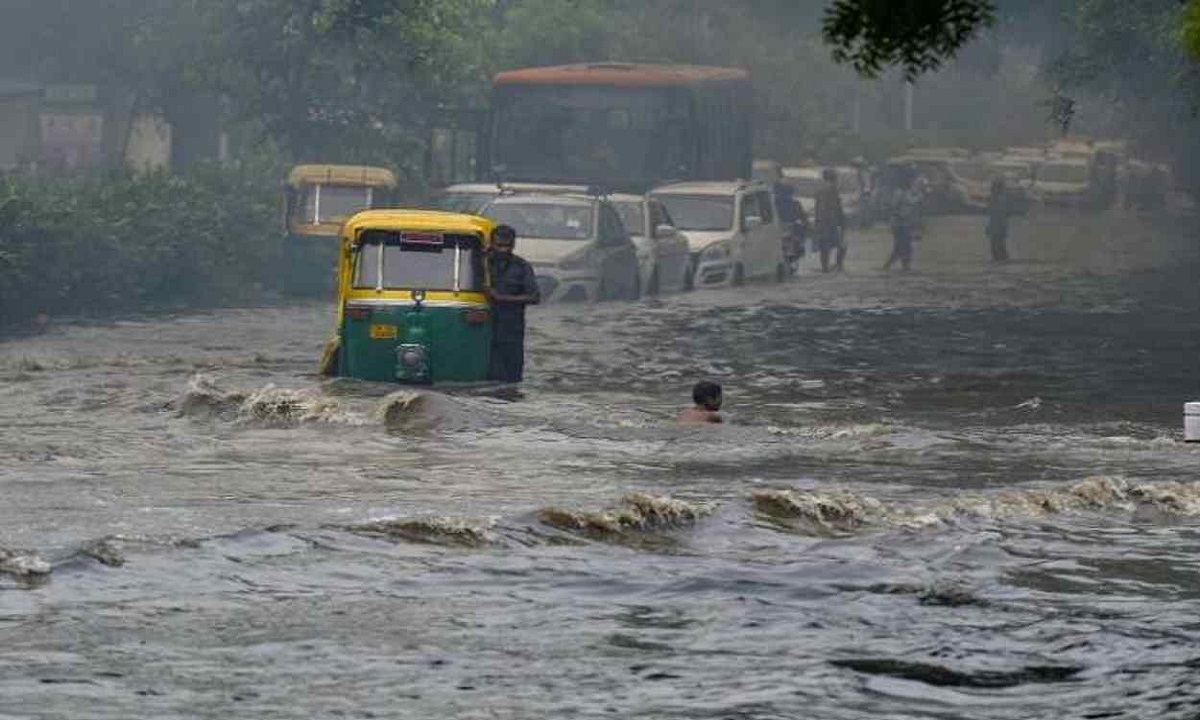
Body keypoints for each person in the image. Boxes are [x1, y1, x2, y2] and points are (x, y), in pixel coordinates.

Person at [486, 224, 540, 383]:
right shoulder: (480, 263)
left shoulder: (522, 267)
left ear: (513, 245)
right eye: (499, 245)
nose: (503, 250)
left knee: (511, 378)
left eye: (507, 246)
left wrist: (501, 298)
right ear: (491, 243)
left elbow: (535, 297)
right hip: (484, 329)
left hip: (511, 331)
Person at [883, 168, 922, 272]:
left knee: (906, 248)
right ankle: (890, 267)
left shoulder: (915, 194)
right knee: (901, 248)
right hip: (899, 225)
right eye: (916, 181)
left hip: (906, 225)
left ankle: (903, 268)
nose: (918, 183)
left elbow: (914, 211)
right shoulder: (900, 193)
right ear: (910, 181)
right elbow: (893, 208)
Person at [813, 167, 847, 272]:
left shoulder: (820, 190)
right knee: (841, 245)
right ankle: (838, 265)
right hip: (831, 222)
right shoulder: (833, 189)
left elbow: (818, 208)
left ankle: (825, 268)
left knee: (825, 247)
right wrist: (842, 222)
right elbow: (837, 207)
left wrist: (817, 222)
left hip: (822, 222)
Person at [985, 176, 1013, 262]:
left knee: (999, 248)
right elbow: (992, 217)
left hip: (998, 229)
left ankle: (1002, 261)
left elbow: (1001, 217)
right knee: (996, 248)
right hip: (995, 229)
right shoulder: (994, 200)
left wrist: (1003, 229)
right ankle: (1000, 260)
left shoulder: (1000, 200)